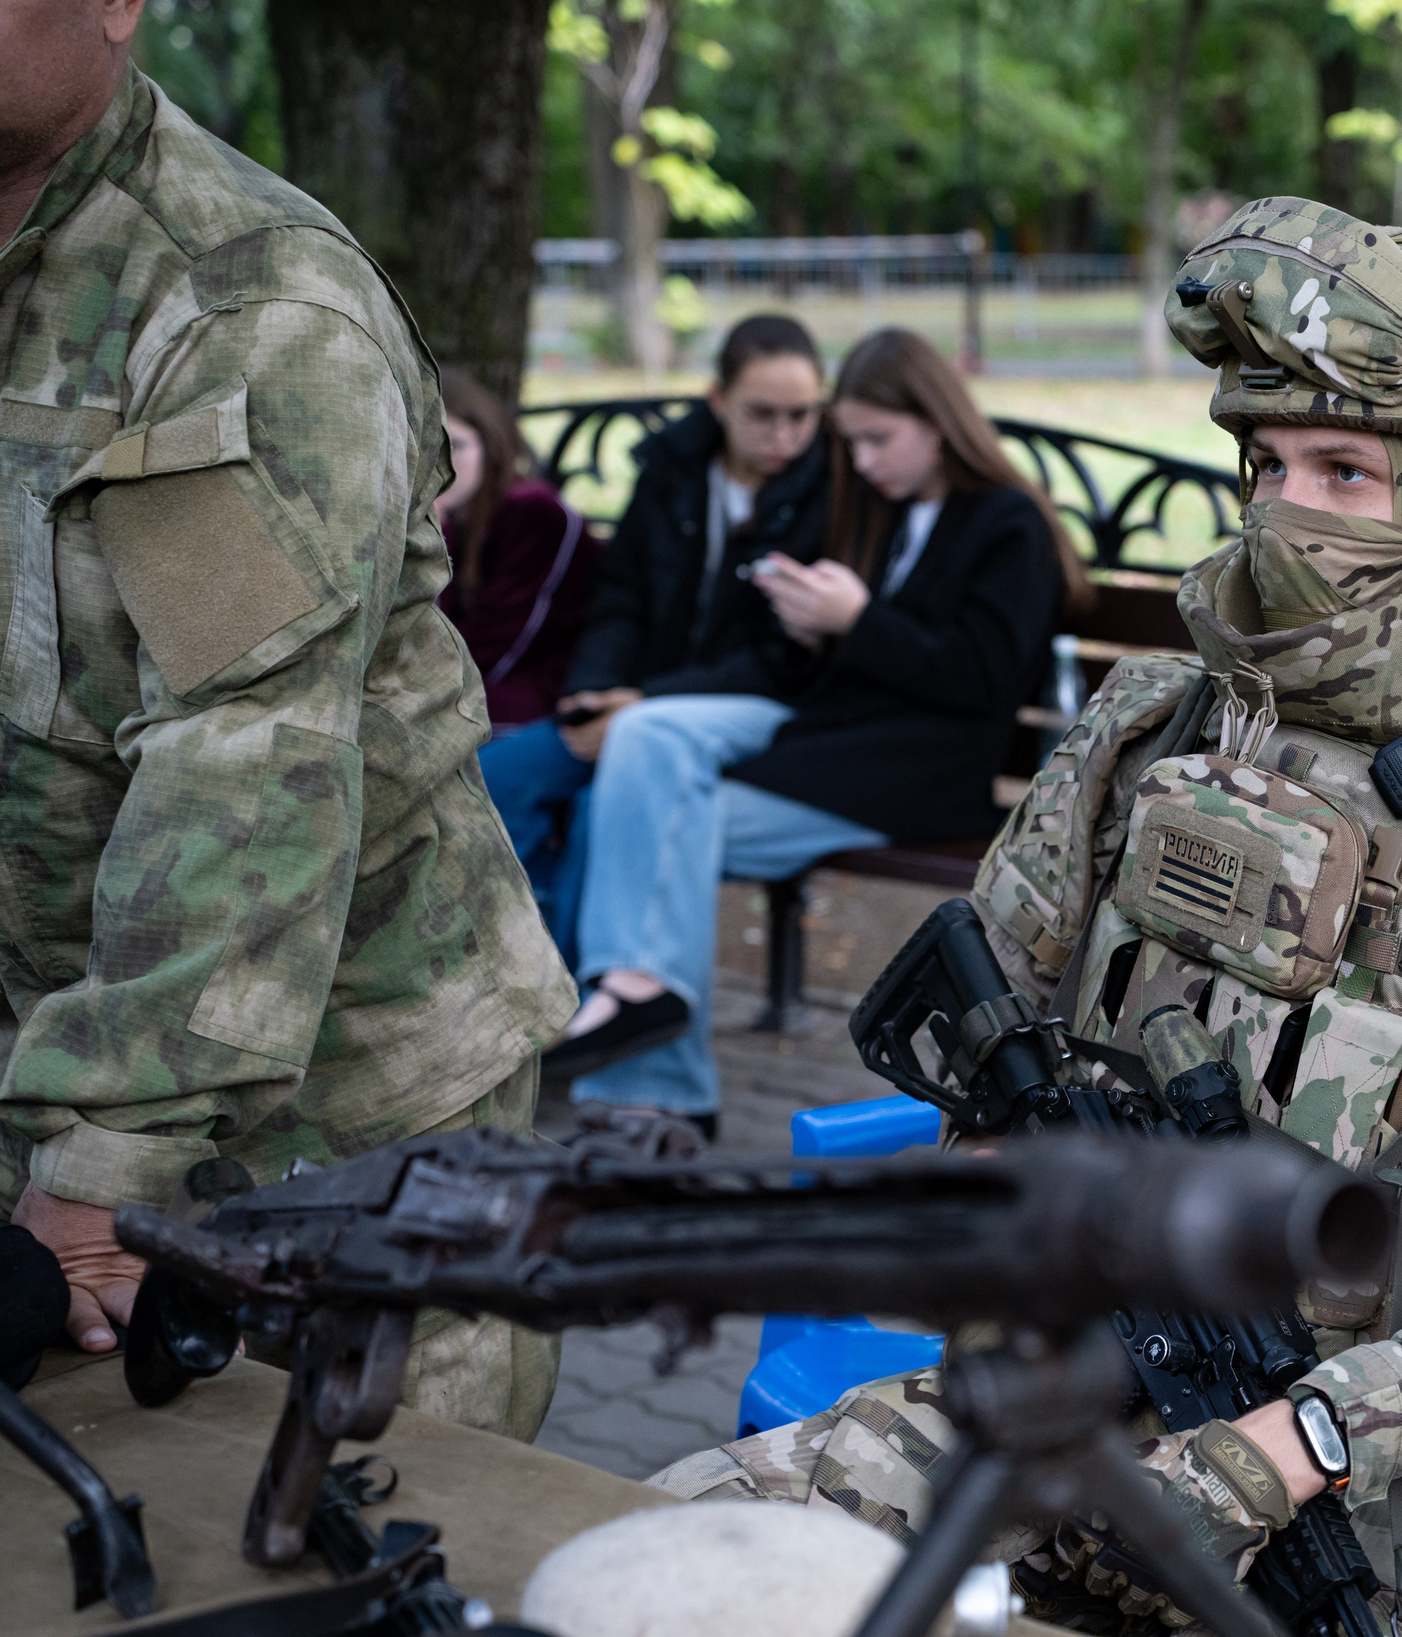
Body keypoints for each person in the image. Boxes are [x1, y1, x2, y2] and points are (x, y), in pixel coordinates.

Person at [653, 200, 1402, 1637]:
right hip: (1098, 1381)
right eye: (1266, 464)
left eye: (1345, 471)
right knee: (663, 1559)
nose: (1282, 515)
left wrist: (1294, 1444)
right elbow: (988, 1045)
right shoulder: (1169, 718)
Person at [0, 4, 574, 1439]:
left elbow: (244, 764)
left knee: (375, 1569)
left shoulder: (247, 305)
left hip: (335, 1133)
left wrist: (105, 1150)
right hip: (59, 1069)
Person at [539, 328, 1082, 1131]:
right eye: (851, 440)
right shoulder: (876, 511)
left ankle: (663, 1090)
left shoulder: (1006, 524)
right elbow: (819, 666)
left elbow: (979, 678)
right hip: (833, 744)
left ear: (936, 422)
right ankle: (640, 1002)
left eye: (876, 440)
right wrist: (804, 621)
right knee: (646, 741)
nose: (858, 462)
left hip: (919, 770)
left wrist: (857, 621)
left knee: (653, 823)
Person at [474, 314, 831, 954]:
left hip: (741, 721)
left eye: (802, 416)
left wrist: (643, 704)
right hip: (631, 702)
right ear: (718, 401)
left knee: (599, 817)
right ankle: (522, 973)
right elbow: (621, 598)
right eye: (762, 414)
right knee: (495, 778)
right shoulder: (674, 469)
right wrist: (594, 692)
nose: (784, 435)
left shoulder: (832, 493)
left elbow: (781, 662)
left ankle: (581, 1003)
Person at [434, 374, 602, 733]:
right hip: (470, 685)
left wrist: (434, 530)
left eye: (455, 444)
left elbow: (493, 650)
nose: (435, 462)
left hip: (544, 697)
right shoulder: (449, 514)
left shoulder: (533, 511)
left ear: (490, 444)